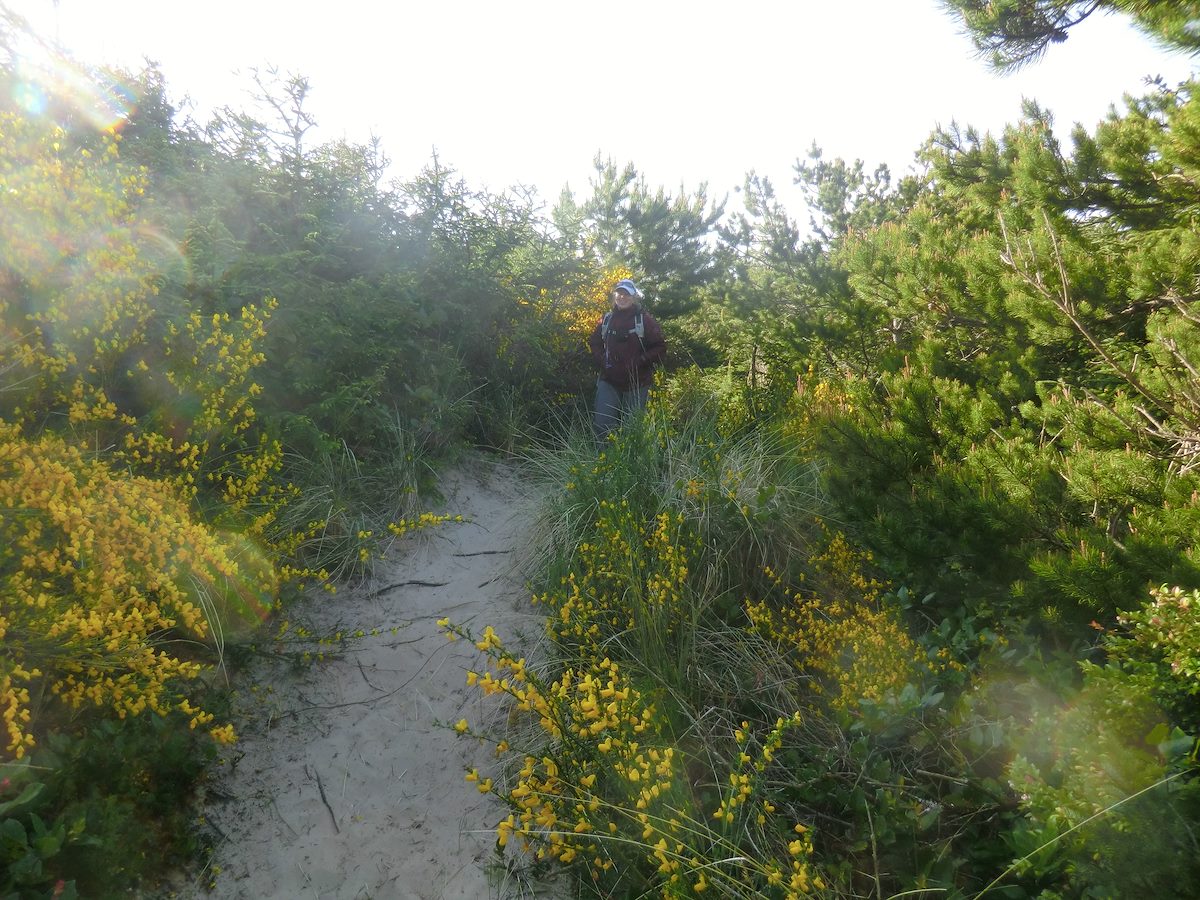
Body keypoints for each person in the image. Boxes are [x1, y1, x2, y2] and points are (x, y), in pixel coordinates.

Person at [588, 277, 666, 441]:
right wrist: (602, 360)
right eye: (619, 293)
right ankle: (603, 463)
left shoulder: (644, 320)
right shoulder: (607, 319)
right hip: (609, 380)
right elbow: (594, 342)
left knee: (633, 429)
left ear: (634, 297)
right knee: (603, 427)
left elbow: (660, 347)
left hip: (637, 383)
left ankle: (630, 464)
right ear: (615, 296)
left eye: (626, 294)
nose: (622, 297)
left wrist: (640, 361)